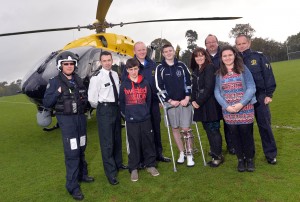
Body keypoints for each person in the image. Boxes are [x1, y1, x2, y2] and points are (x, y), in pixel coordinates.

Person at [43, 51, 94, 200]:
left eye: (71, 64)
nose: (69, 66)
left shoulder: (78, 80)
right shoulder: (54, 82)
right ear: (61, 66)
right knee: (72, 153)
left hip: (80, 119)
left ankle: (82, 175)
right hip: (67, 121)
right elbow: (47, 103)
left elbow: (85, 100)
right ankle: (72, 186)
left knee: (82, 148)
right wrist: (57, 93)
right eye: (66, 64)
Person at [121, 41, 170, 163]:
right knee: (141, 132)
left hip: (153, 103)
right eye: (139, 50)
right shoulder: (130, 66)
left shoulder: (153, 64)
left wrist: (160, 100)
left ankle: (158, 154)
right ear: (134, 51)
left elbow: (159, 83)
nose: (142, 52)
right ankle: (142, 158)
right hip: (138, 105)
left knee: (156, 129)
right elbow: (125, 86)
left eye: (144, 49)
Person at [235, 34, 277, 165]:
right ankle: (249, 156)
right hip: (243, 98)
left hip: (260, 97)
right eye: (238, 44)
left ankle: (271, 154)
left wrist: (269, 94)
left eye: (243, 43)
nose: (241, 46)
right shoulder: (234, 59)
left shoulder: (259, 57)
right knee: (246, 129)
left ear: (249, 43)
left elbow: (268, 76)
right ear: (236, 45)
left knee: (264, 126)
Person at [214, 46, 257, 172]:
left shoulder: (243, 69)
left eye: (230, 55)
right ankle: (240, 160)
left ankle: (249, 159)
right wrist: (226, 106)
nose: (227, 58)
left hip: (245, 108)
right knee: (235, 136)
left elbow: (251, 87)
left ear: (234, 55)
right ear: (221, 58)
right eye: (224, 56)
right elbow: (217, 92)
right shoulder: (219, 73)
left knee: (246, 135)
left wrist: (241, 104)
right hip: (229, 110)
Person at [88, 51, 126, 186]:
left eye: (109, 60)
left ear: (112, 60)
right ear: (100, 62)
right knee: (107, 142)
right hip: (104, 110)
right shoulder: (96, 77)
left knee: (117, 138)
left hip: (116, 108)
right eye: (104, 61)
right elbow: (92, 100)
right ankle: (111, 173)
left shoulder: (115, 74)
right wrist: (103, 106)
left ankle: (119, 164)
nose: (107, 63)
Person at [155, 43, 195, 167]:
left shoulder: (182, 65)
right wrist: (169, 100)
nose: (168, 53)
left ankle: (189, 154)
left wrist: (187, 97)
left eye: (170, 50)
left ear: (174, 52)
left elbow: (189, 81)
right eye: (166, 51)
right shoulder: (160, 68)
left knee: (186, 129)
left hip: (184, 102)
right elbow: (159, 86)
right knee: (175, 129)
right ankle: (181, 152)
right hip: (170, 104)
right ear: (163, 53)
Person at [120, 58, 159, 182]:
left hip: (145, 118)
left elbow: (148, 100)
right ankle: (134, 168)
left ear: (138, 69)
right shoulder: (124, 84)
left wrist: (145, 112)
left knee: (148, 141)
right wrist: (127, 115)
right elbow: (121, 102)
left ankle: (150, 165)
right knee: (133, 143)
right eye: (130, 69)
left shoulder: (145, 83)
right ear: (127, 70)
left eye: (135, 69)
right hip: (131, 119)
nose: (133, 72)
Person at [190, 47, 224, 167]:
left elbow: (209, 87)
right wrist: (193, 100)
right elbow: (194, 87)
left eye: (201, 55)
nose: (199, 58)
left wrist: (198, 101)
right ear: (194, 58)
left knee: (213, 129)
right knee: (207, 129)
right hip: (200, 104)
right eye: (196, 56)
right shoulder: (195, 70)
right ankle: (214, 150)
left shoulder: (210, 67)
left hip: (210, 104)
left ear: (205, 56)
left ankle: (218, 155)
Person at [205, 34, 235, 155]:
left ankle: (232, 145)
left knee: (229, 121)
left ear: (217, 42)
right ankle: (216, 148)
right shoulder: (203, 56)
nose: (211, 44)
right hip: (210, 97)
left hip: (226, 93)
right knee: (213, 124)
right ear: (205, 44)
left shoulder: (224, 54)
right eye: (208, 42)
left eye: (213, 41)